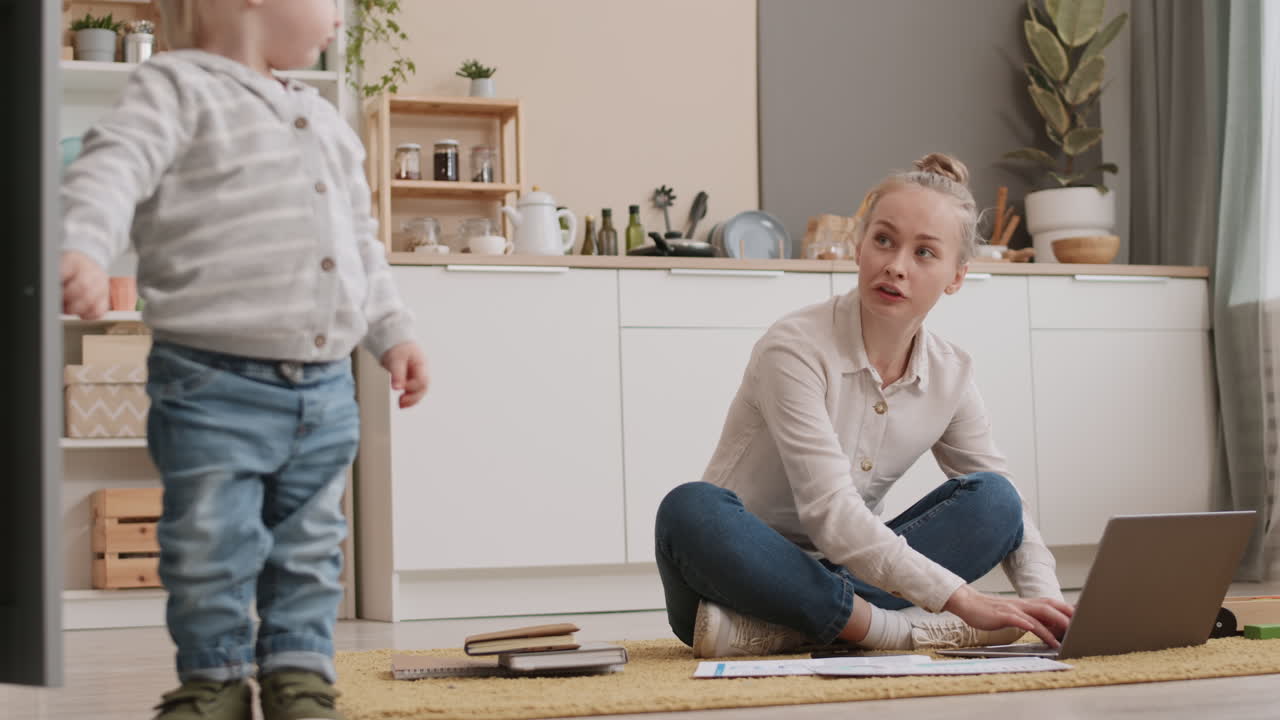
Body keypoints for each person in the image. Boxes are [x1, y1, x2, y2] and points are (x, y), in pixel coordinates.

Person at [59, 1, 427, 718]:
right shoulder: (175, 86)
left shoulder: (324, 118)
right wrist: (83, 247)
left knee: (311, 545)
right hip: (211, 381)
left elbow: (359, 246)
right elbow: (112, 167)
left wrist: (394, 331)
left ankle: (298, 672)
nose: (341, 21)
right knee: (208, 543)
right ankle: (215, 678)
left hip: (325, 390)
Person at [654, 153, 1075, 658]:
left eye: (924, 253)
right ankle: (896, 630)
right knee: (689, 509)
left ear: (956, 276)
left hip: (855, 577)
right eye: (884, 240)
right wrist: (961, 601)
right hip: (736, 573)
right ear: (860, 246)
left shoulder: (951, 372)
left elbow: (1010, 513)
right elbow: (830, 512)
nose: (895, 265)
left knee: (997, 499)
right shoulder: (794, 348)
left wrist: (1048, 605)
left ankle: (798, 629)